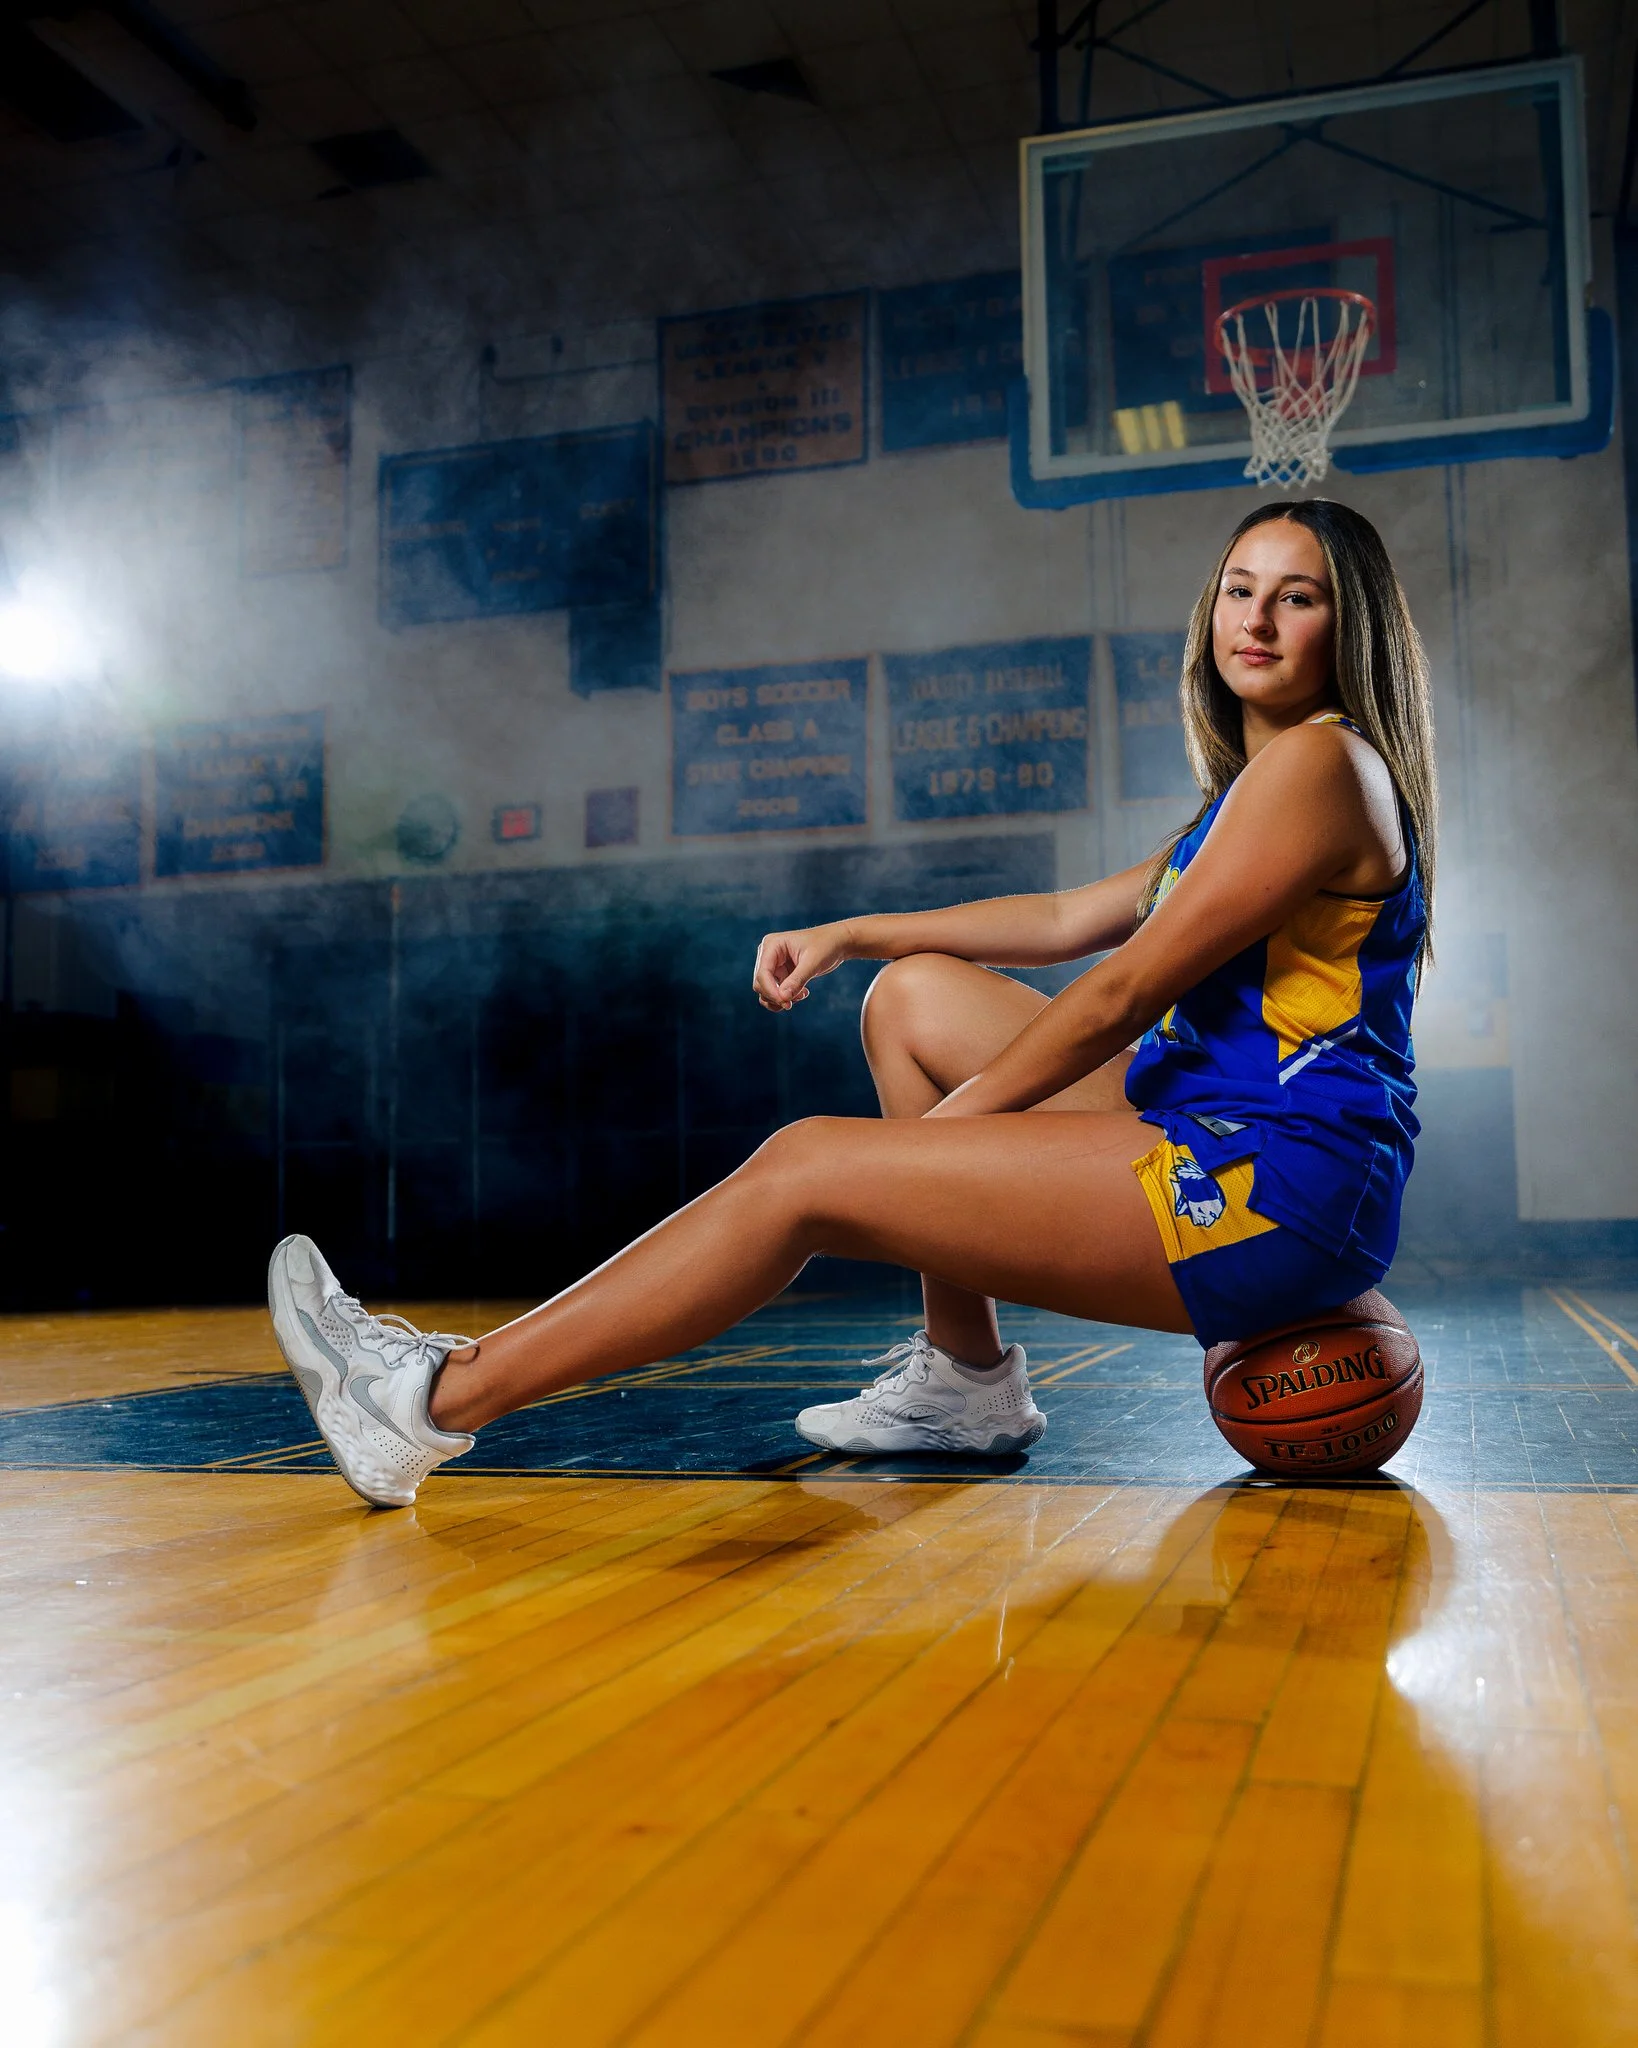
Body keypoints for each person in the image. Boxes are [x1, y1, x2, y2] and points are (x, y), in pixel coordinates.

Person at [268, 497, 1435, 1508]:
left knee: (813, 1169)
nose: (1257, 620)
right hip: (1221, 1130)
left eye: (1298, 599)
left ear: (1349, 629)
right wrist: (858, 930)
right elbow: (1074, 919)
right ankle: (967, 1381)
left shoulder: (1323, 769)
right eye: (1240, 589)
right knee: (911, 999)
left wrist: (942, 1148)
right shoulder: (1257, 789)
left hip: (1275, 1181)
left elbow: (1124, 987)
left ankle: (426, 1400)